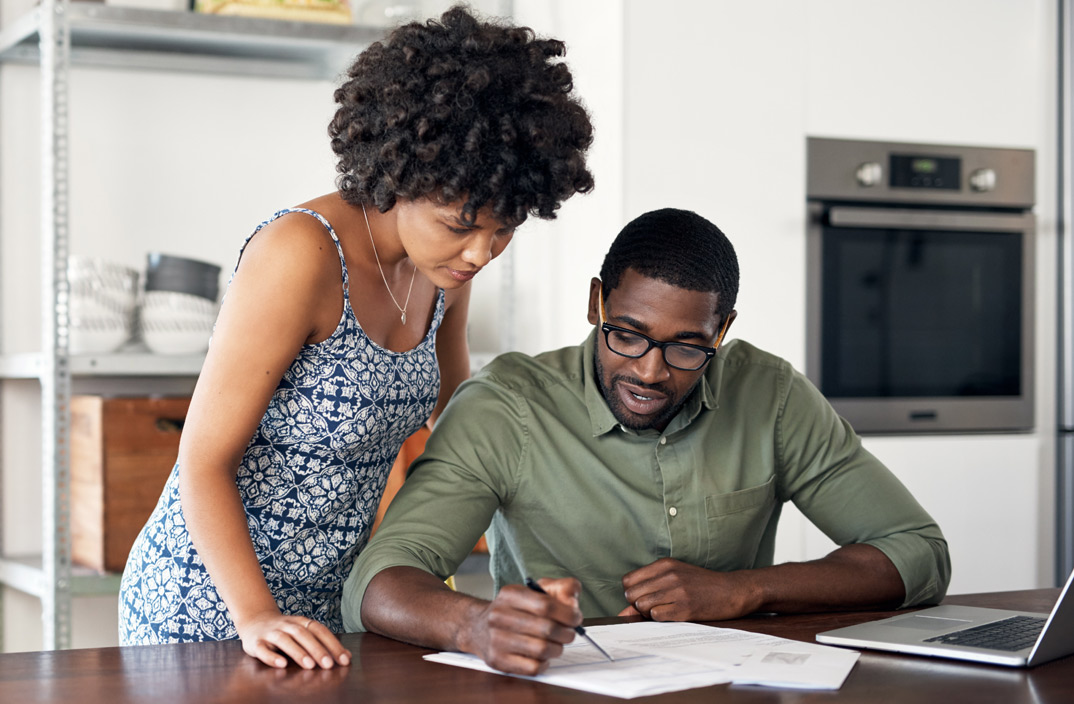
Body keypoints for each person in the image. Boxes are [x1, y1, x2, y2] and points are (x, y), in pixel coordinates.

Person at [116, 5, 595, 672]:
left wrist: (539, 544)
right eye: (462, 223)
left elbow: (458, 426)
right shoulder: (301, 255)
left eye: (505, 226)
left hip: (323, 603)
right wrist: (254, 615)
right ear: (400, 175)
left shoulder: (445, 269)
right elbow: (202, 461)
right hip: (208, 600)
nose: (484, 251)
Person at [342, 207, 951, 675]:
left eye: (688, 346)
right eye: (627, 335)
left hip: (729, 685)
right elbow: (381, 581)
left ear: (723, 329)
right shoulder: (508, 406)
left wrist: (745, 589)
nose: (651, 372)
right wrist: (475, 625)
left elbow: (918, 553)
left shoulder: (770, 396)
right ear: (595, 303)